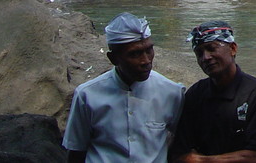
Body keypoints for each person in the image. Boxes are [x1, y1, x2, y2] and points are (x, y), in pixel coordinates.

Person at [62, 12, 185, 163]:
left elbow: (180, 143)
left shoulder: (171, 92)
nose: (146, 60)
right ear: (113, 58)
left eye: (149, 50)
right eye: (135, 54)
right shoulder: (87, 95)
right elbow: (76, 150)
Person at [170, 20, 256, 163]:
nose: (205, 57)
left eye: (211, 48)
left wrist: (201, 160)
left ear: (233, 49)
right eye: (199, 53)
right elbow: (180, 154)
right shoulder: (195, 94)